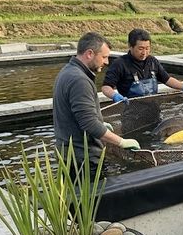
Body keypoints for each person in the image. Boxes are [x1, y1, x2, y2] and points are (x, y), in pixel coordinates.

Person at [53, 32, 139, 178]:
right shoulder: (80, 80)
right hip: (83, 158)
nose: (106, 62)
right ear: (89, 53)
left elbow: (77, 114)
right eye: (104, 57)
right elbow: (89, 124)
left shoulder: (67, 71)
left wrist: (102, 123)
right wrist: (121, 142)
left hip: (68, 154)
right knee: (93, 199)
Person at [101, 28, 183, 103]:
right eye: (140, 48)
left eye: (147, 48)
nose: (144, 52)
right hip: (131, 114)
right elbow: (106, 87)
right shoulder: (120, 64)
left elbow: (167, 79)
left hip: (153, 110)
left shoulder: (152, 61)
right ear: (130, 46)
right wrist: (114, 95)